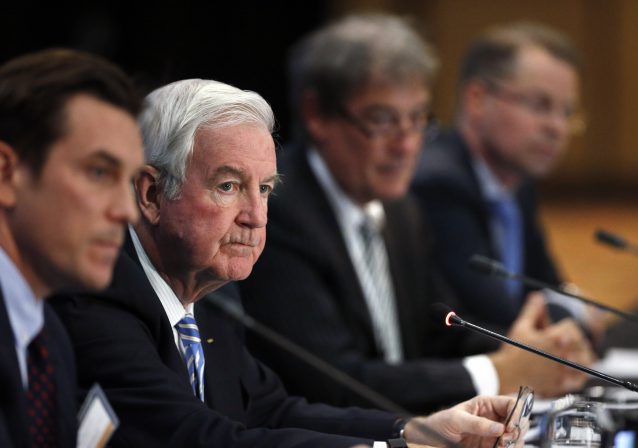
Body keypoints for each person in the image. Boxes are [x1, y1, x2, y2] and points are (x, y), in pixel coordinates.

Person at [51, 77, 520, 448]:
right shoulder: (100, 298)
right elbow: (195, 437)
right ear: (152, 194)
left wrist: (417, 430)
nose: (256, 217)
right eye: (228, 186)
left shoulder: (208, 299)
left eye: (266, 190)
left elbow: (273, 411)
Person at [239, 13, 593, 414]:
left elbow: (443, 328)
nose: (406, 145)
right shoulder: (275, 214)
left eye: (417, 119)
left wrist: (536, 349)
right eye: (382, 120)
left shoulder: (401, 211)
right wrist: (496, 371)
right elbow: (334, 380)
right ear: (318, 115)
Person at [410, 22, 599, 332]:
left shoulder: (516, 186)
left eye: (567, 112)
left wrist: (572, 310)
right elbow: (497, 318)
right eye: (540, 105)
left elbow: (546, 288)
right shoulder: (439, 184)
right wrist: (570, 322)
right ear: (477, 99)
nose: (557, 128)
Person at [0, 49, 144, 447]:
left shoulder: (51, 342)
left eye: (128, 181)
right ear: (6, 174)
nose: (128, 212)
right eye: (99, 172)